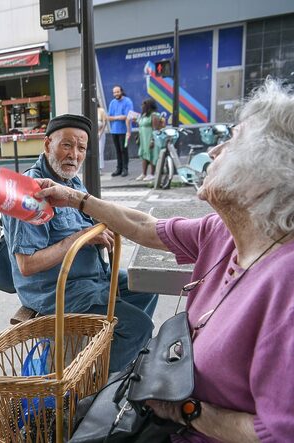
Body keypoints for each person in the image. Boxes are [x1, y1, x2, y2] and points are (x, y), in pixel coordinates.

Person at [34, 79, 294, 442]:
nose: (215, 150)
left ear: (266, 176)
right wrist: (79, 199)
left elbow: (277, 434)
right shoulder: (220, 231)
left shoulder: (286, 285)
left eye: (232, 142)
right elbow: (146, 226)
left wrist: (184, 410)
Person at [1, 114, 158, 373]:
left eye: (81, 148)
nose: (74, 154)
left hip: (91, 277)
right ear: (47, 144)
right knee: (137, 327)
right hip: (57, 291)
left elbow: (91, 214)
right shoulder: (29, 190)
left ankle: (108, 356)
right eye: (67, 145)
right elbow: (27, 265)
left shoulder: (70, 181)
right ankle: (90, 388)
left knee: (146, 285)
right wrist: (81, 239)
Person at [132, 98, 162, 181]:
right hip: (143, 139)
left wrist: (152, 140)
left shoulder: (154, 115)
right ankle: (144, 173)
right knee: (144, 155)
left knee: (152, 155)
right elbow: (142, 125)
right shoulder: (144, 115)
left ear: (148, 106)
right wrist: (137, 121)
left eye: (143, 105)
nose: (142, 106)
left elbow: (155, 129)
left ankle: (152, 173)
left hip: (150, 138)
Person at [107, 85, 134, 177]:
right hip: (114, 130)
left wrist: (115, 117)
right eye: (114, 92)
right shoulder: (112, 102)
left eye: (117, 92)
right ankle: (119, 168)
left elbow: (127, 116)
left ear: (121, 91)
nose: (116, 94)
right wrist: (119, 117)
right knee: (117, 150)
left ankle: (125, 169)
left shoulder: (127, 101)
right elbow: (108, 117)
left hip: (124, 131)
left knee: (124, 150)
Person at [97, 102, 109, 170]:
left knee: (100, 150)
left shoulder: (101, 110)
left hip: (100, 133)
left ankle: (100, 167)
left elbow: (104, 122)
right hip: (92, 133)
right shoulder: (90, 111)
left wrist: (100, 133)